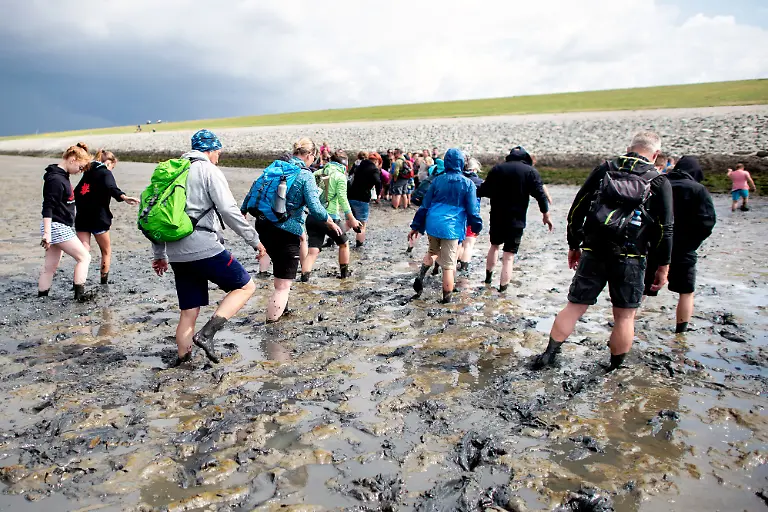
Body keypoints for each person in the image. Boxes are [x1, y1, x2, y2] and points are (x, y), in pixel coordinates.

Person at [534, 131, 673, 372]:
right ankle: (614, 367)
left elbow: (578, 207)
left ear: (630, 147)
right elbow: (666, 228)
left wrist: (574, 244)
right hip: (632, 255)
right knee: (625, 316)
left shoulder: (605, 170)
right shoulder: (659, 180)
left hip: (594, 249)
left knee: (574, 306)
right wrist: (663, 266)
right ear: (656, 154)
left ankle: (549, 355)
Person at [151, 130, 266, 366]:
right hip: (203, 247)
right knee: (245, 286)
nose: (219, 156)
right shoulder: (208, 170)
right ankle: (207, 334)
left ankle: (183, 362)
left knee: (188, 311)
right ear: (210, 150)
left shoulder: (171, 171)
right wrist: (254, 239)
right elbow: (228, 210)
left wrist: (160, 254)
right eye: (218, 152)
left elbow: (155, 217)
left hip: (175, 251)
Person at [242, 138, 342, 322]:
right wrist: (330, 221)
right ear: (309, 155)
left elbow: (253, 190)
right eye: (313, 158)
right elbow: (315, 207)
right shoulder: (305, 175)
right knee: (282, 285)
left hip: (263, 225)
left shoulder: (276, 167)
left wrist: (243, 212)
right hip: (285, 230)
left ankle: (283, 310)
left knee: (279, 272)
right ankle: (272, 329)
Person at [644, 156, 716, 333]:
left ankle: (626, 321)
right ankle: (681, 329)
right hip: (684, 248)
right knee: (686, 291)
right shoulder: (698, 189)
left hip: (656, 245)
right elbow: (707, 221)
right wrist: (692, 243)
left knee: (643, 288)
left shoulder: (658, 183)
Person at [408, 149, 482, 304]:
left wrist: (416, 226)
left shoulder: (437, 180)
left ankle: (421, 275)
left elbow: (424, 206)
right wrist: (477, 226)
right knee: (449, 265)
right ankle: (446, 300)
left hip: (433, 223)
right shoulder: (468, 184)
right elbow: (472, 210)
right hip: (452, 227)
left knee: (432, 251)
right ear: (461, 164)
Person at [479, 146, 552, 292]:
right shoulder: (530, 171)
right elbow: (540, 195)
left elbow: (484, 190)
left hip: (497, 215)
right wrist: (546, 214)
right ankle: (502, 289)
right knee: (509, 256)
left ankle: (488, 279)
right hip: (517, 219)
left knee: (494, 246)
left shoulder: (497, 169)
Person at [74, 149, 139, 284]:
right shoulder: (105, 172)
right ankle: (104, 284)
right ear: (109, 162)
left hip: (82, 219)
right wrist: (124, 197)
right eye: (112, 167)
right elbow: (111, 187)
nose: (111, 170)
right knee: (106, 252)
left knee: (83, 255)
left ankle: (79, 287)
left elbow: (76, 192)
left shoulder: (87, 172)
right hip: (98, 219)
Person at [38, 143, 94, 300]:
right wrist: (47, 233)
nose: (80, 171)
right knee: (84, 258)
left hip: (58, 226)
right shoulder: (56, 179)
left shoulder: (61, 175)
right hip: (57, 226)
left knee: (50, 267)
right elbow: (48, 206)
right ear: (73, 159)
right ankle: (80, 296)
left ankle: (42, 298)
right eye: (81, 167)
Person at [302, 150, 362, 280]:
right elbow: (343, 199)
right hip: (330, 218)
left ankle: (304, 278)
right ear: (345, 164)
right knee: (344, 243)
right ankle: (344, 276)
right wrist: (351, 219)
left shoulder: (316, 173)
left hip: (312, 217)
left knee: (313, 251)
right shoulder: (340, 177)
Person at [348, 151, 383, 247]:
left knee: (349, 221)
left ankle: (334, 237)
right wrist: (378, 194)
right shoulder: (373, 169)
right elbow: (378, 181)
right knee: (362, 223)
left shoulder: (359, 165)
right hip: (362, 198)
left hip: (350, 196)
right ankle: (359, 245)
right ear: (377, 161)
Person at [456, 157, 484, 272]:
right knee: (469, 244)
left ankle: (452, 265)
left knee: (457, 243)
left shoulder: (458, 179)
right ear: (474, 169)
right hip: (472, 216)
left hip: (457, 216)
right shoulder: (479, 182)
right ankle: (464, 269)